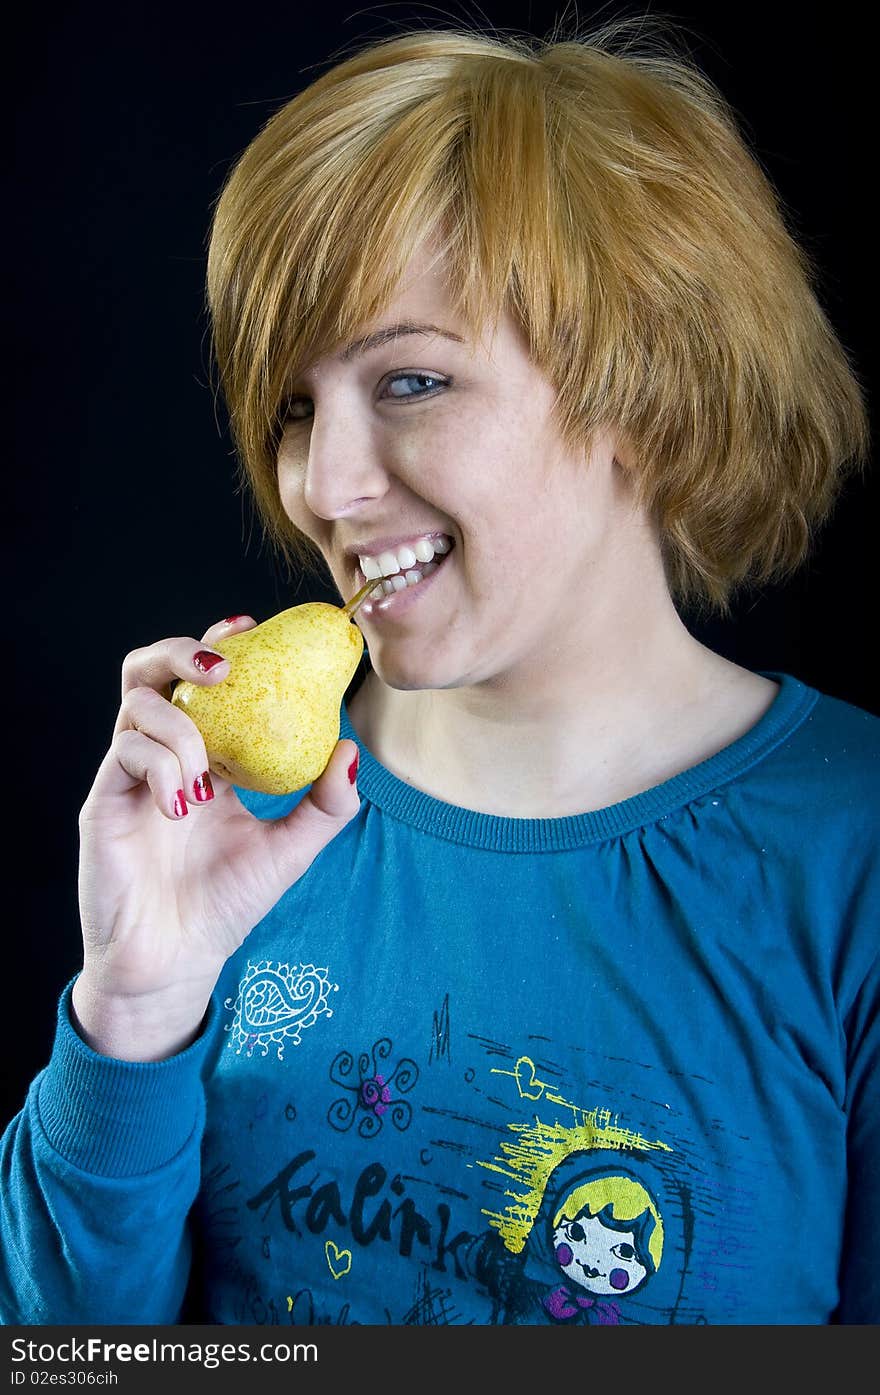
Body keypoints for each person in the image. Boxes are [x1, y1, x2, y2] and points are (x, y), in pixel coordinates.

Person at [1, 17, 876, 1327]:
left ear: (645, 385)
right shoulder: (230, 833)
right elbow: (76, 1356)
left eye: (410, 380)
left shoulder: (854, 849)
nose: (322, 485)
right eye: (295, 407)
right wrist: (134, 1004)